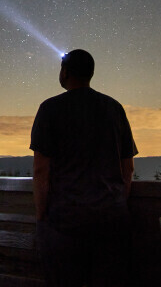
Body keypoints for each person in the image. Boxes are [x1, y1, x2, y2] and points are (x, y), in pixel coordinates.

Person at [30, 49, 138, 286]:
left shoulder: (50, 109)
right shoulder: (114, 108)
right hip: (112, 221)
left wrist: (41, 217)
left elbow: (40, 171)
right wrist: (117, 202)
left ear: (65, 72)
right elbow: (128, 169)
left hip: (65, 223)